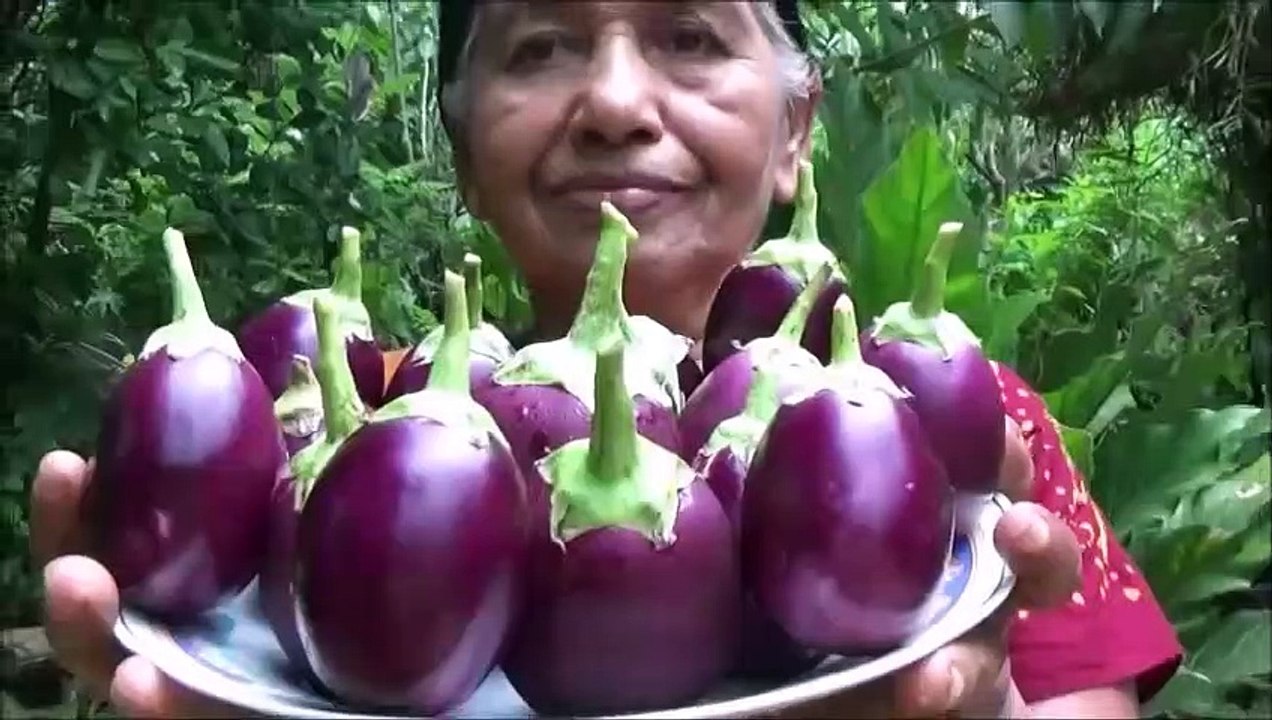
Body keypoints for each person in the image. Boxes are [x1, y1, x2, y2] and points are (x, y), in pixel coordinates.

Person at [29, 1, 1183, 717]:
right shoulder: (349, 426)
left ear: (795, 130)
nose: (617, 104)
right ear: (462, 149)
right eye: (541, 45)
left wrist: (984, 706)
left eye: (691, 37)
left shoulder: (956, 432)